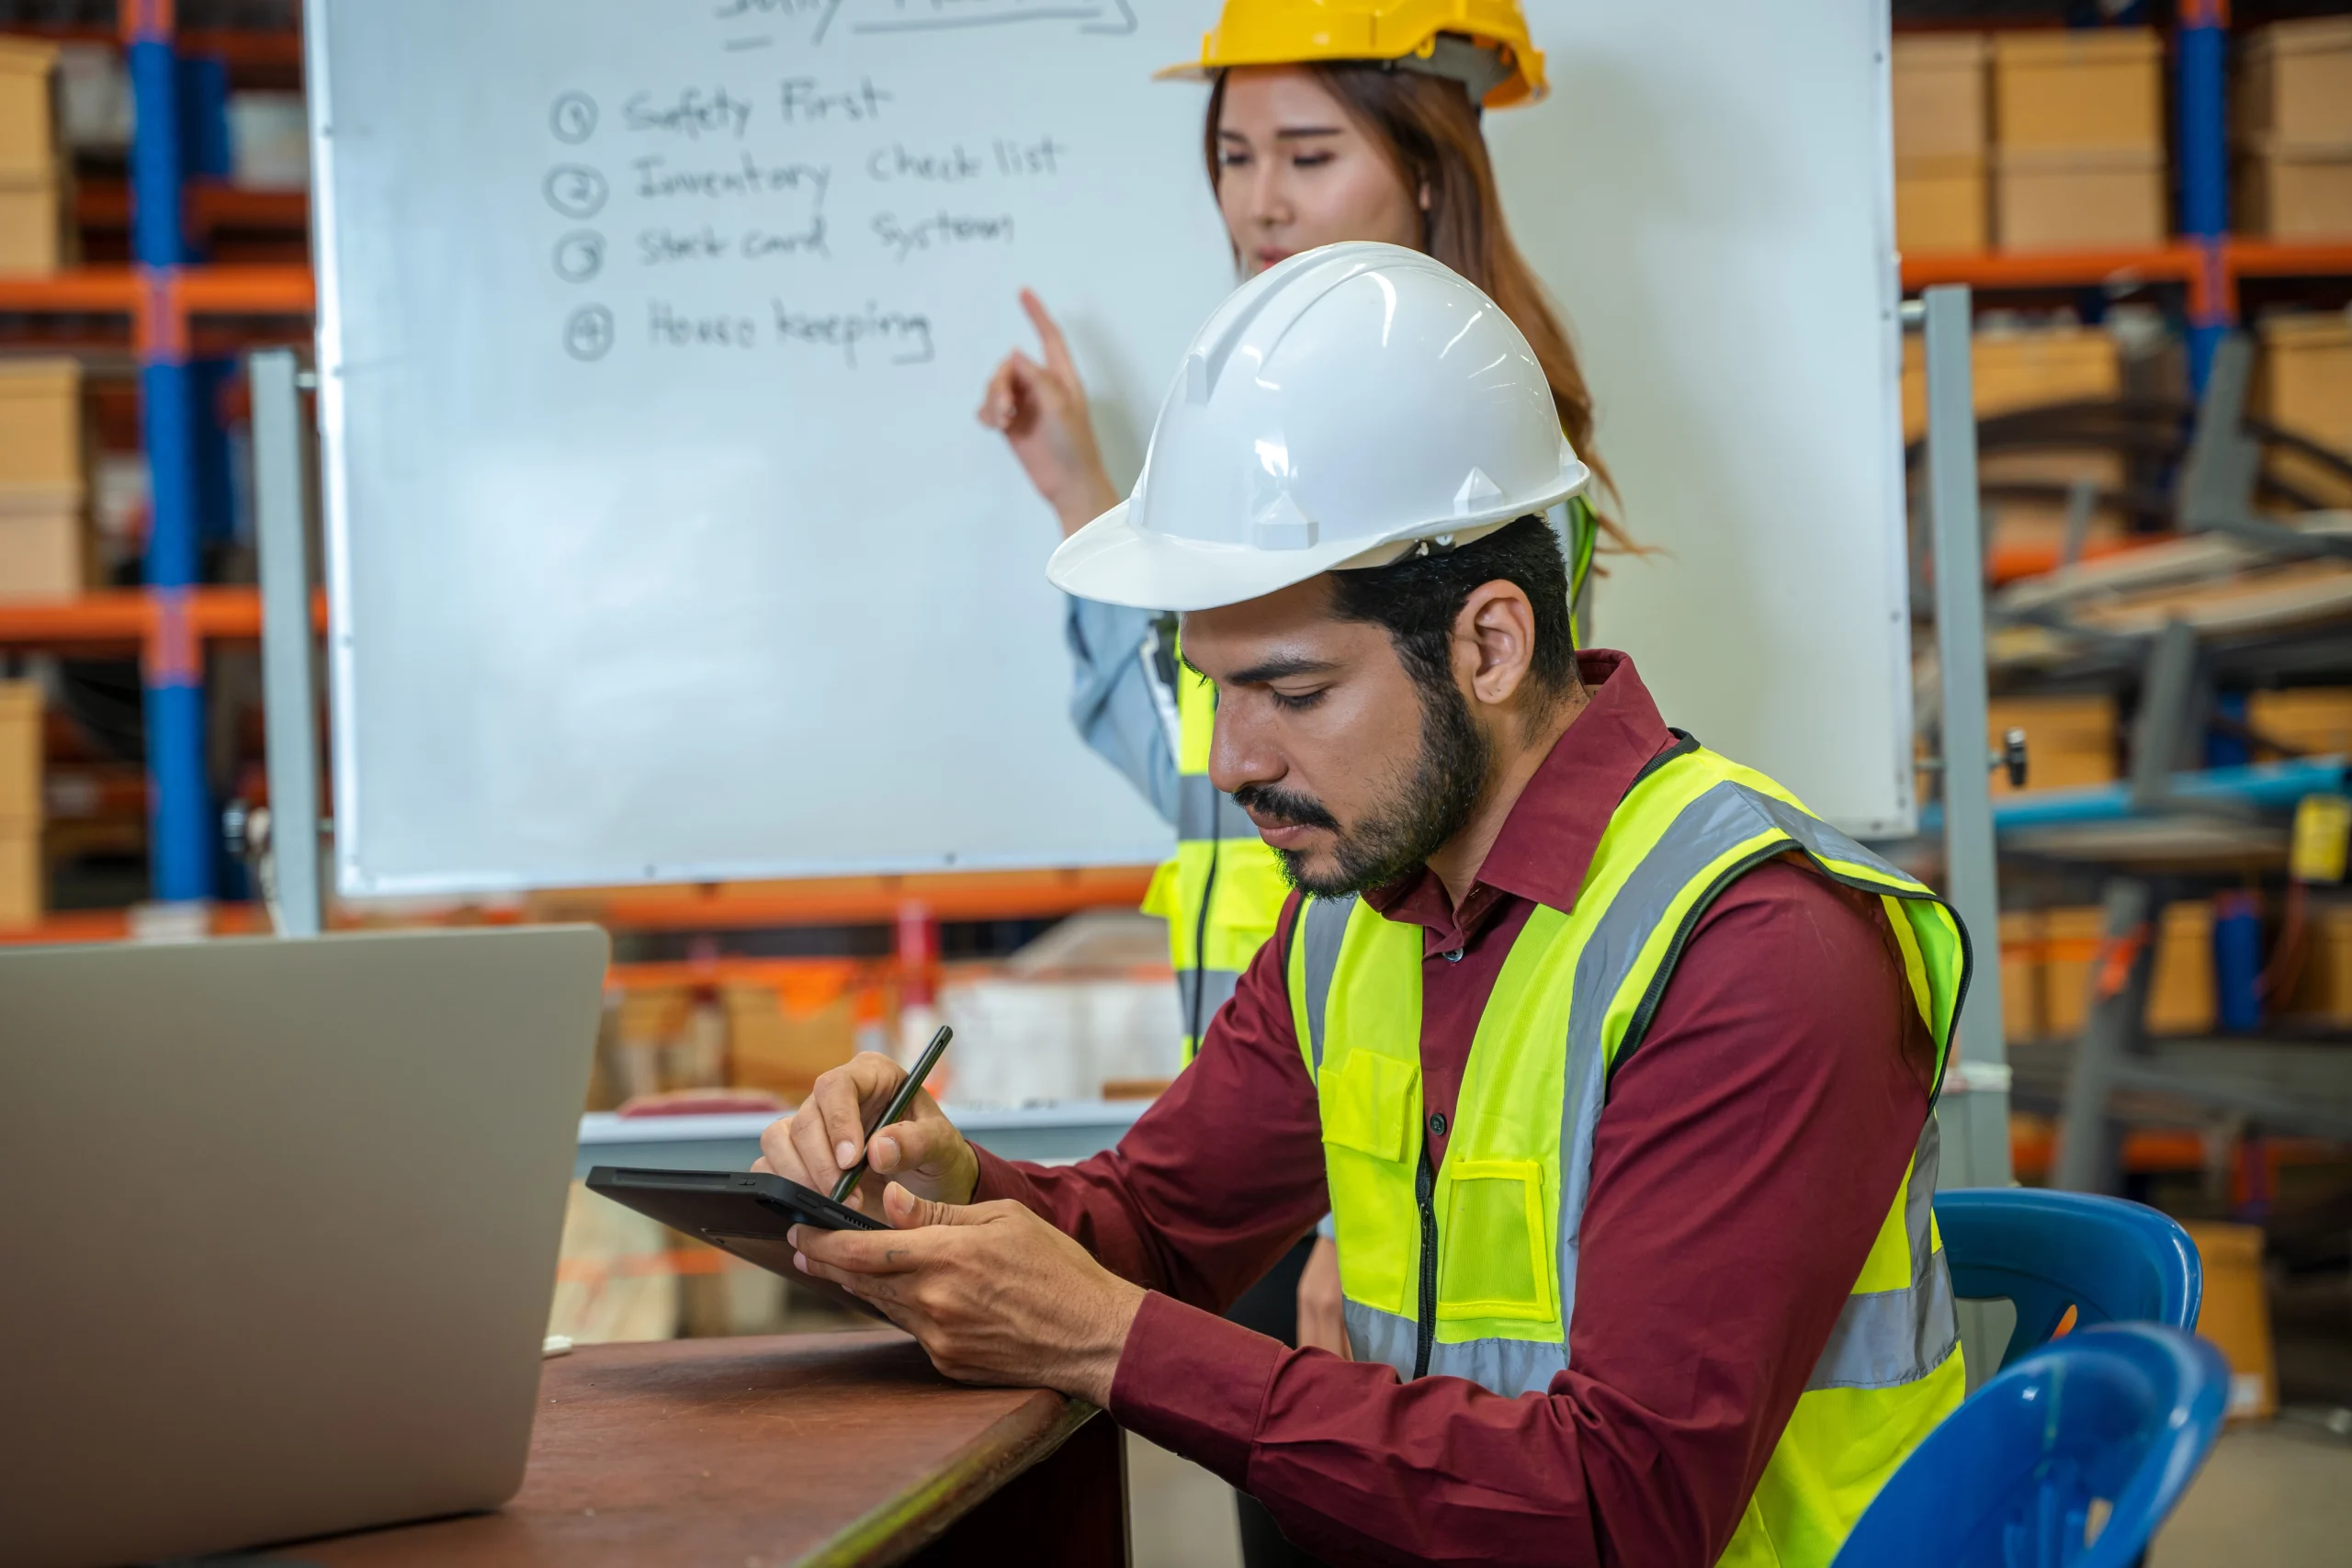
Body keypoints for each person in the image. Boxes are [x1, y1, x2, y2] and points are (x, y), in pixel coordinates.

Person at [763, 245, 1970, 1567]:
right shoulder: (1356, 917)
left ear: (1491, 644)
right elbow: (1161, 1231)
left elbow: (1622, 1507)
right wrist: (954, 1190)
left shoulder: (1754, 948)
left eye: (1292, 692)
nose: (1234, 763)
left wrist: (1107, 1339)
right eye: (1218, 688)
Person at [976, 0, 1623, 1414]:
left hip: (1385, 1136)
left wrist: (1346, 1213)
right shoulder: (1255, 429)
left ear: (1429, 161)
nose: (1262, 200)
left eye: (1310, 153)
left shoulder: (1483, 448)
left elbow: (1496, 809)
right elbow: (1205, 756)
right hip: (1294, 1067)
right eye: (1233, 154)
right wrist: (1087, 498)